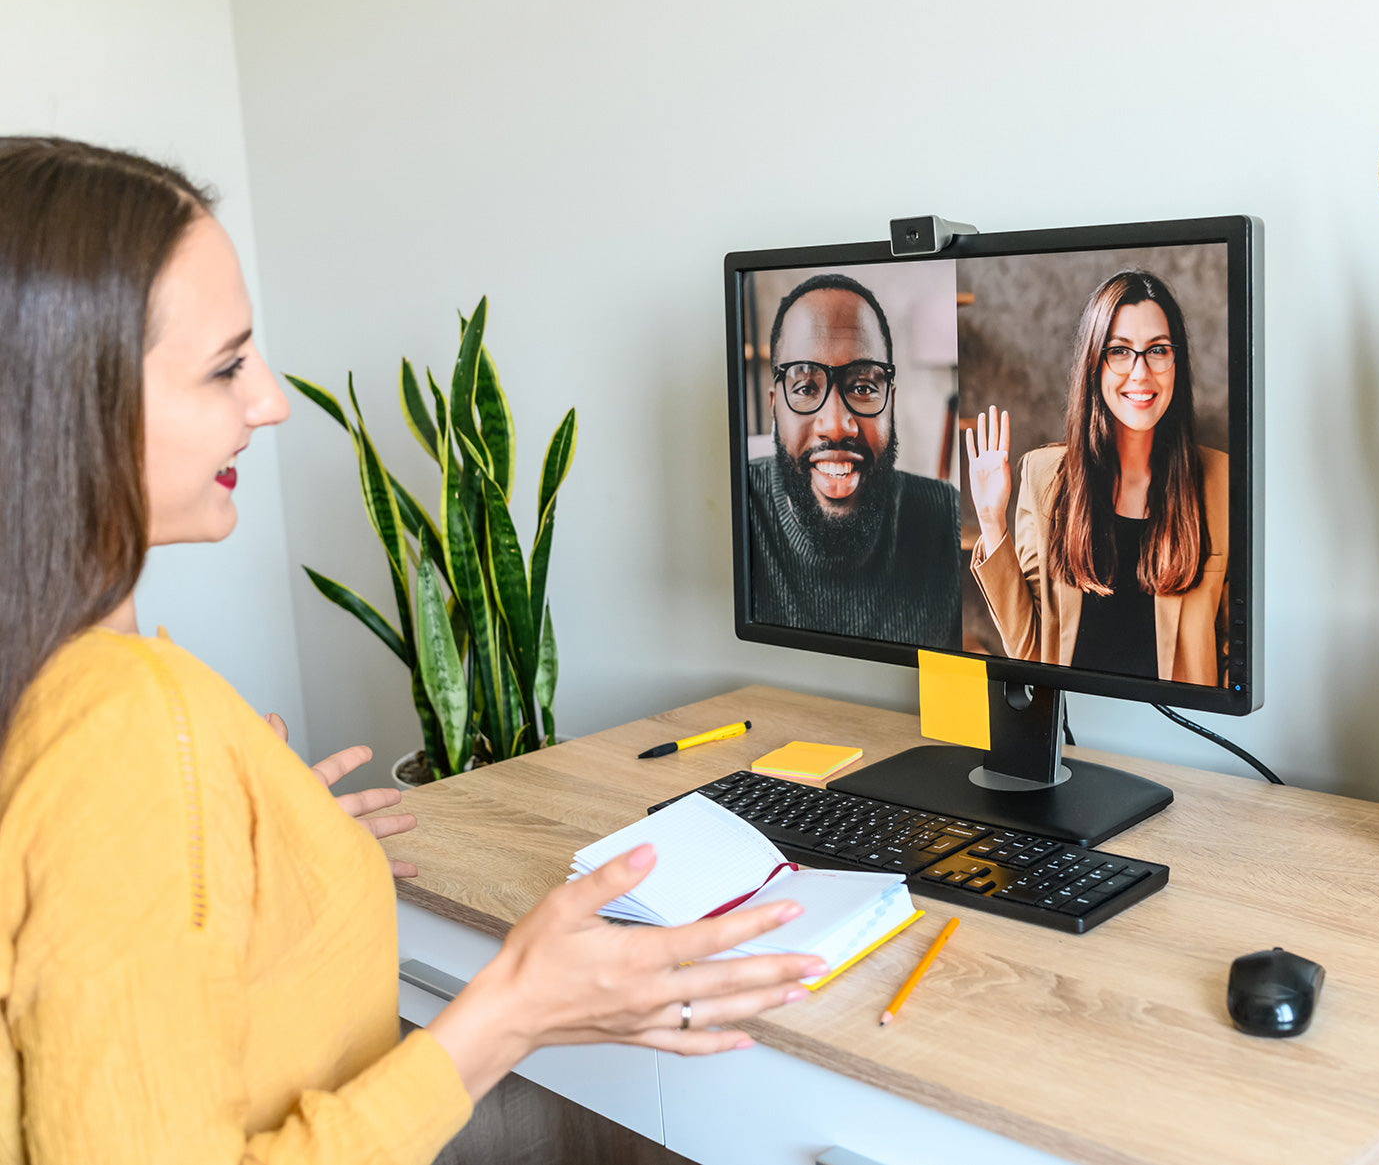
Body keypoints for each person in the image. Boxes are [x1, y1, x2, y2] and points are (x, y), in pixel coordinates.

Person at [0, 137, 825, 1164]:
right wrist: (508, 1015)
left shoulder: (65, 689)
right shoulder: (118, 724)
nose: (269, 401)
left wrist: (258, 861)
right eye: (225, 367)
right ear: (62, 407)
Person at [965, 269, 1229, 685]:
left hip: (1177, 737)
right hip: (1078, 725)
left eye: (1157, 350)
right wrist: (991, 520)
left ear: (1177, 361)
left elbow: (1233, 649)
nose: (1140, 372)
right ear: (1094, 363)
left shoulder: (1221, 481)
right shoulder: (1042, 476)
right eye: (1120, 351)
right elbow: (1031, 651)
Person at [746, 273, 961, 649]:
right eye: (804, 387)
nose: (836, 425)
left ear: (890, 401)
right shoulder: (737, 512)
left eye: (863, 387)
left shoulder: (945, 518)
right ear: (774, 405)